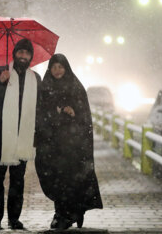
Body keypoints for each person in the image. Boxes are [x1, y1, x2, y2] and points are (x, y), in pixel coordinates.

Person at [0, 39, 41, 230]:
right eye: (20, 52)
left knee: (18, 180)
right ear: (14, 54)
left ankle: (14, 219)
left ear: (30, 57)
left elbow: (41, 107)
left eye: (26, 54)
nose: (23, 56)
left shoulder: (35, 79)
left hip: (23, 136)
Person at [34, 53, 103, 230]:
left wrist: (73, 113)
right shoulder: (45, 88)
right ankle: (64, 212)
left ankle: (67, 214)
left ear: (66, 68)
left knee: (70, 179)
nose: (57, 71)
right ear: (49, 69)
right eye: (54, 67)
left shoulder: (75, 87)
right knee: (54, 178)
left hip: (72, 145)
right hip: (52, 144)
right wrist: (55, 113)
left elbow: (84, 116)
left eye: (60, 67)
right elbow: (40, 113)